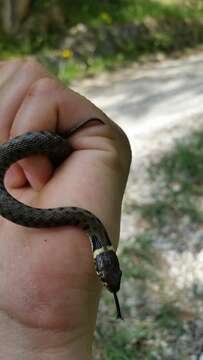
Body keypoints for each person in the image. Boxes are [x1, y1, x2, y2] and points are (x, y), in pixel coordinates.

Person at [0, 59, 131, 359]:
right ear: (105, 258)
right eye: (108, 273)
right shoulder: (85, 223)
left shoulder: (86, 222)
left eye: (105, 276)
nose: (107, 278)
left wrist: (41, 337)